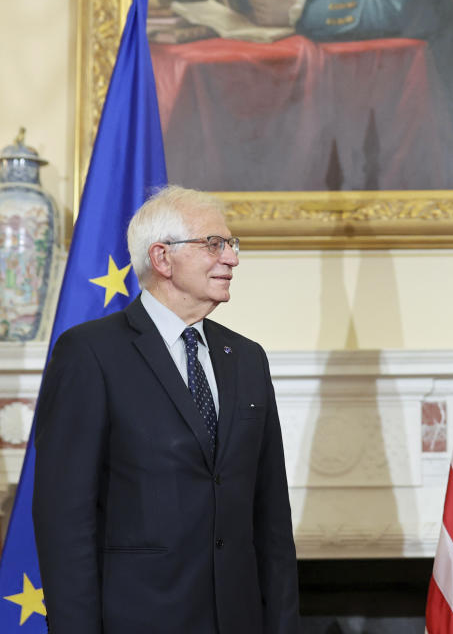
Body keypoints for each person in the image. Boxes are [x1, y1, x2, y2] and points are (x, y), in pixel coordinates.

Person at [32, 186, 300, 633]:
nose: (231, 258)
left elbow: (272, 519)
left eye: (231, 246)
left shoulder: (248, 358)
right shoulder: (90, 354)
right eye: (214, 244)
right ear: (162, 258)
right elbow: (65, 521)